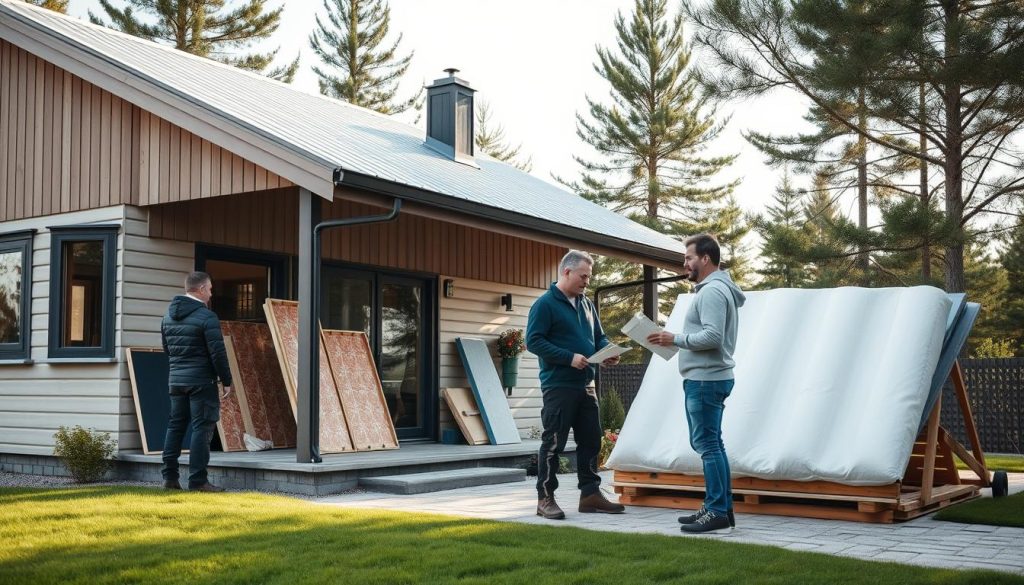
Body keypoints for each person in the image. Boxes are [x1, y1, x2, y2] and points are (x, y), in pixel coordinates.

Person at [648, 234, 745, 533]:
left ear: (705, 258)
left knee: (707, 445)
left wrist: (674, 338)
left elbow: (713, 337)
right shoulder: (714, 289)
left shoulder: (713, 292)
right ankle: (720, 508)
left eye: (689, 257)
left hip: (705, 380)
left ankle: (716, 511)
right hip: (706, 378)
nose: (685, 263)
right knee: (712, 444)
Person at [527, 250, 625, 519]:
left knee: (591, 440)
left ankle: (591, 495)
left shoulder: (586, 304)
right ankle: (545, 498)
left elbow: (599, 337)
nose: (587, 282)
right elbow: (533, 341)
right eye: (583, 276)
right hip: (559, 385)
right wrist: (569, 358)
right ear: (566, 272)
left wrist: (607, 352)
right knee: (553, 444)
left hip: (587, 385)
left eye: (589, 277)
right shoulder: (545, 304)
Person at [160, 271, 233, 492]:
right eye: (210, 289)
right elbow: (217, 353)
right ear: (201, 289)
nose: (211, 294)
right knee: (202, 429)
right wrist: (226, 380)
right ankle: (198, 481)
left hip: (176, 380)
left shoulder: (167, 316)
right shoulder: (207, 317)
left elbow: (167, 350)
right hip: (201, 381)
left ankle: (170, 478)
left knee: (176, 426)